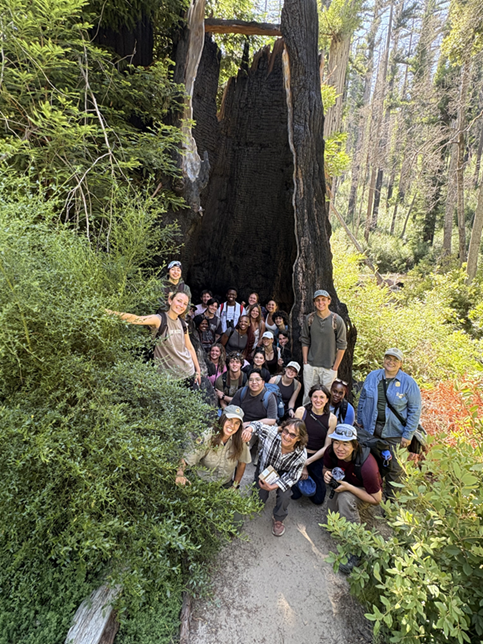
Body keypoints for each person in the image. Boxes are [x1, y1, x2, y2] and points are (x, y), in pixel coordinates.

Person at [357, 348, 422, 497]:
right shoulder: (373, 376)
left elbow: (415, 410)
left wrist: (408, 434)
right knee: (370, 463)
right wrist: (360, 419)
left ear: (401, 363)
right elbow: (363, 399)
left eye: (395, 360)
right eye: (388, 358)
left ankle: (390, 501)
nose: (391, 362)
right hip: (371, 431)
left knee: (394, 468)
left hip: (395, 434)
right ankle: (369, 494)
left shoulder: (409, 383)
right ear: (384, 359)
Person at [106, 291, 201, 386]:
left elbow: (189, 347)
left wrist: (198, 370)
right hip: (167, 378)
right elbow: (135, 319)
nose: (181, 305)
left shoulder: (183, 324)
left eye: (185, 303)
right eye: (179, 301)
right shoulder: (159, 320)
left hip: (188, 373)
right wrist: (110, 313)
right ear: (170, 301)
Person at [323, 424, 382, 573]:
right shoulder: (331, 451)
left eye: (345, 444)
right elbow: (326, 467)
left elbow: (376, 499)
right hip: (345, 482)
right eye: (336, 442)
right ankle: (340, 526)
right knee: (332, 517)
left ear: (354, 445)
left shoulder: (368, 466)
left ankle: (356, 548)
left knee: (345, 499)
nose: (339, 448)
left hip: (363, 490)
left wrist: (349, 488)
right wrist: (326, 474)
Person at [241, 419, 308, 537]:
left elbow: (293, 476)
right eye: (286, 431)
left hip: (284, 472)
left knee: (284, 494)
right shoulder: (273, 433)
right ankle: (258, 495)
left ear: (299, 438)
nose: (287, 437)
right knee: (258, 501)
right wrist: (249, 430)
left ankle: (279, 518)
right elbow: (257, 425)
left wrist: (273, 486)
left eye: (292, 435)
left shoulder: (301, 454)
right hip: (266, 467)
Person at [176, 406, 250, 488]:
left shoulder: (240, 440)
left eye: (237, 423)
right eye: (229, 420)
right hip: (202, 483)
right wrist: (180, 474)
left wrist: (235, 486)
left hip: (225, 484)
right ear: (222, 419)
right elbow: (186, 459)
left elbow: (242, 463)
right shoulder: (207, 436)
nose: (232, 426)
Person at [301, 289, 347, 404]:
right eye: (318, 300)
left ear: (329, 301)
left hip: (329, 367)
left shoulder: (337, 320)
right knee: (308, 396)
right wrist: (305, 362)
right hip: (311, 365)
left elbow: (342, 346)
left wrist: (335, 367)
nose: (320, 303)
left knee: (326, 398)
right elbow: (305, 340)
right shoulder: (310, 319)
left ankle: (326, 421)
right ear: (314, 302)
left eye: (323, 300)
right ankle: (305, 420)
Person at [292, 384, 337, 505]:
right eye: (315, 396)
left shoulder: (331, 419)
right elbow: (295, 439)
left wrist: (307, 463)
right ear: (311, 398)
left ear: (327, 399)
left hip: (317, 456)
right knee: (295, 494)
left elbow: (327, 446)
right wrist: (303, 464)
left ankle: (308, 477)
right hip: (298, 452)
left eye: (322, 397)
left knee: (318, 499)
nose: (318, 400)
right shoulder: (301, 412)